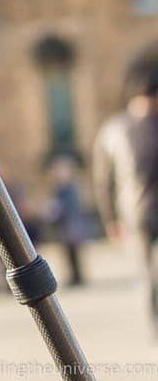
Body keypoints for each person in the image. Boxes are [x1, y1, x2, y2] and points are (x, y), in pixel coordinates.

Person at [92, 59, 158, 331]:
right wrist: (110, 219)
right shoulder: (116, 129)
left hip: (134, 209)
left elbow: (103, 181)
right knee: (148, 273)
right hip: (141, 210)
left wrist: (111, 218)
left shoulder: (112, 128)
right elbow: (104, 180)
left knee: (148, 272)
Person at [42, 155, 93, 288]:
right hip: (66, 227)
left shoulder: (68, 189)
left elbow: (67, 208)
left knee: (74, 254)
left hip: (71, 227)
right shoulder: (60, 188)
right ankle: (74, 277)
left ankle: (78, 277)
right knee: (68, 255)